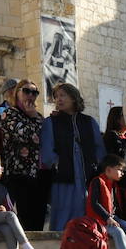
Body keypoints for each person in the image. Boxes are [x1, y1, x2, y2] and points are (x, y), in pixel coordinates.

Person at [41, 82, 106, 232]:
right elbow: (47, 152)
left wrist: (96, 166)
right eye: (56, 97)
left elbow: (99, 148)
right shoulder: (50, 122)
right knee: (63, 214)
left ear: (74, 97)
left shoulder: (89, 122)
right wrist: (58, 164)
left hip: (87, 176)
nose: (59, 99)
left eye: (63, 95)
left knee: (87, 211)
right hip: (64, 177)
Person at [0, 79, 48, 231]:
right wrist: (33, 117)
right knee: (24, 216)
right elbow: (27, 134)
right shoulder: (9, 113)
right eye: (26, 91)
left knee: (39, 215)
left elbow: (46, 137)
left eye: (34, 92)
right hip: (18, 173)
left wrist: (35, 117)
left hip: (39, 173)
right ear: (17, 93)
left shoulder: (38, 116)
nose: (31, 95)